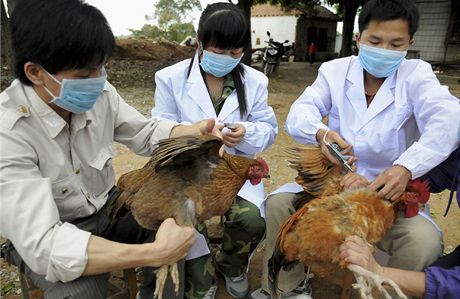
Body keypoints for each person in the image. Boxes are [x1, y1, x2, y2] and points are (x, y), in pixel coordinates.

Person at [0, 0, 223, 298]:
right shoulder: (8, 133)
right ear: (35, 72)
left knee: (177, 227)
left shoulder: (101, 93)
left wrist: (195, 132)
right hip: (53, 231)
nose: (98, 81)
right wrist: (153, 253)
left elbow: (145, 133)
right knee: (83, 293)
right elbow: (44, 243)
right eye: (83, 76)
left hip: (109, 208)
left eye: (101, 68)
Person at [250, 0, 460, 298]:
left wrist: (406, 167)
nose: (384, 49)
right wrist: (321, 134)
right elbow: (300, 112)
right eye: (375, 41)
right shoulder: (334, 71)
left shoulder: (417, 76)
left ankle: (380, 290)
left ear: (410, 43)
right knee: (279, 204)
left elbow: (450, 118)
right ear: (358, 38)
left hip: (389, 195)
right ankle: (287, 287)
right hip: (334, 184)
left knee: (422, 241)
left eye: (396, 43)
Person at [151, 3, 278, 299]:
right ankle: (202, 270)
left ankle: (231, 265)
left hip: (234, 171)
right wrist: (200, 138)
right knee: (186, 215)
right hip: (188, 172)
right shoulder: (169, 78)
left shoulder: (256, 81)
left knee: (250, 217)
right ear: (200, 41)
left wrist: (247, 133)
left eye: (235, 53)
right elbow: (161, 130)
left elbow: (268, 130)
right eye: (219, 51)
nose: (228, 59)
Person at [340, 134, 460, 298]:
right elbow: (441, 171)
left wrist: (379, 271)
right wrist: (393, 181)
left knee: (427, 249)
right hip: (347, 181)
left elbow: (453, 286)